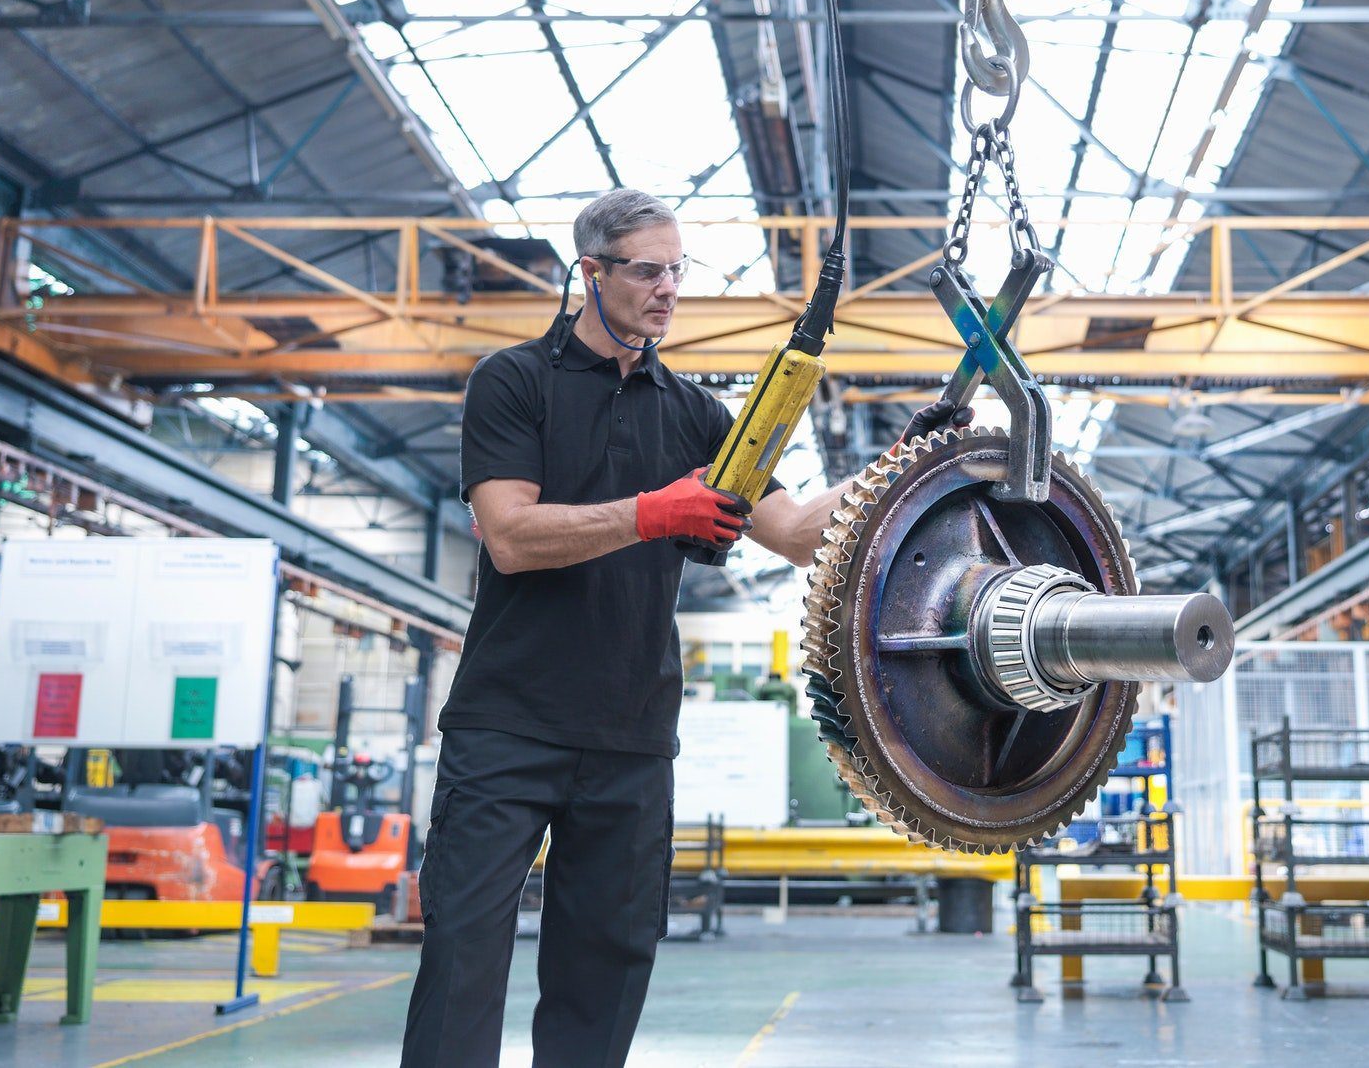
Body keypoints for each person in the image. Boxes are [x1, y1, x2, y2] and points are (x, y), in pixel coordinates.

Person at [400, 188, 966, 1068]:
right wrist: (652, 514)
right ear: (589, 274)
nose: (667, 289)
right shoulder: (514, 382)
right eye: (646, 271)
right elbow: (510, 537)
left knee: (608, 964)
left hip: (630, 736)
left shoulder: (698, 416)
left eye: (677, 270)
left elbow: (792, 534)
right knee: (464, 950)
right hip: (506, 724)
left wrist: (902, 466)